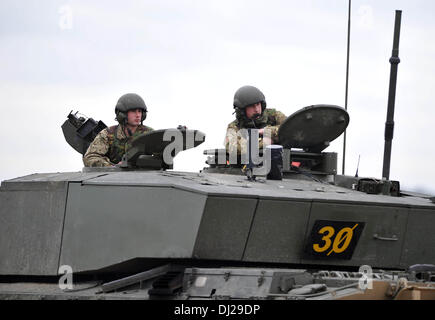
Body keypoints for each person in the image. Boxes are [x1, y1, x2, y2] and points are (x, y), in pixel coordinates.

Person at [83, 93, 153, 167]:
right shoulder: (107, 134)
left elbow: (161, 156)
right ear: (122, 114)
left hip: (144, 176)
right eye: (133, 111)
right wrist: (113, 167)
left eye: (139, 111)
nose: (138, 115)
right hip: (113, 177)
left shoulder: (149, 134)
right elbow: (90, 157)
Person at [225, 85, 287, 155]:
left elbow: (290, 130)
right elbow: (233, 148)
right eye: (252, 106)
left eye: (258, 104)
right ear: (242, 110)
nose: (257, 109)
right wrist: (264, 142)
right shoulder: (234, 126)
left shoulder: (274, 115)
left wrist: (266, 131)